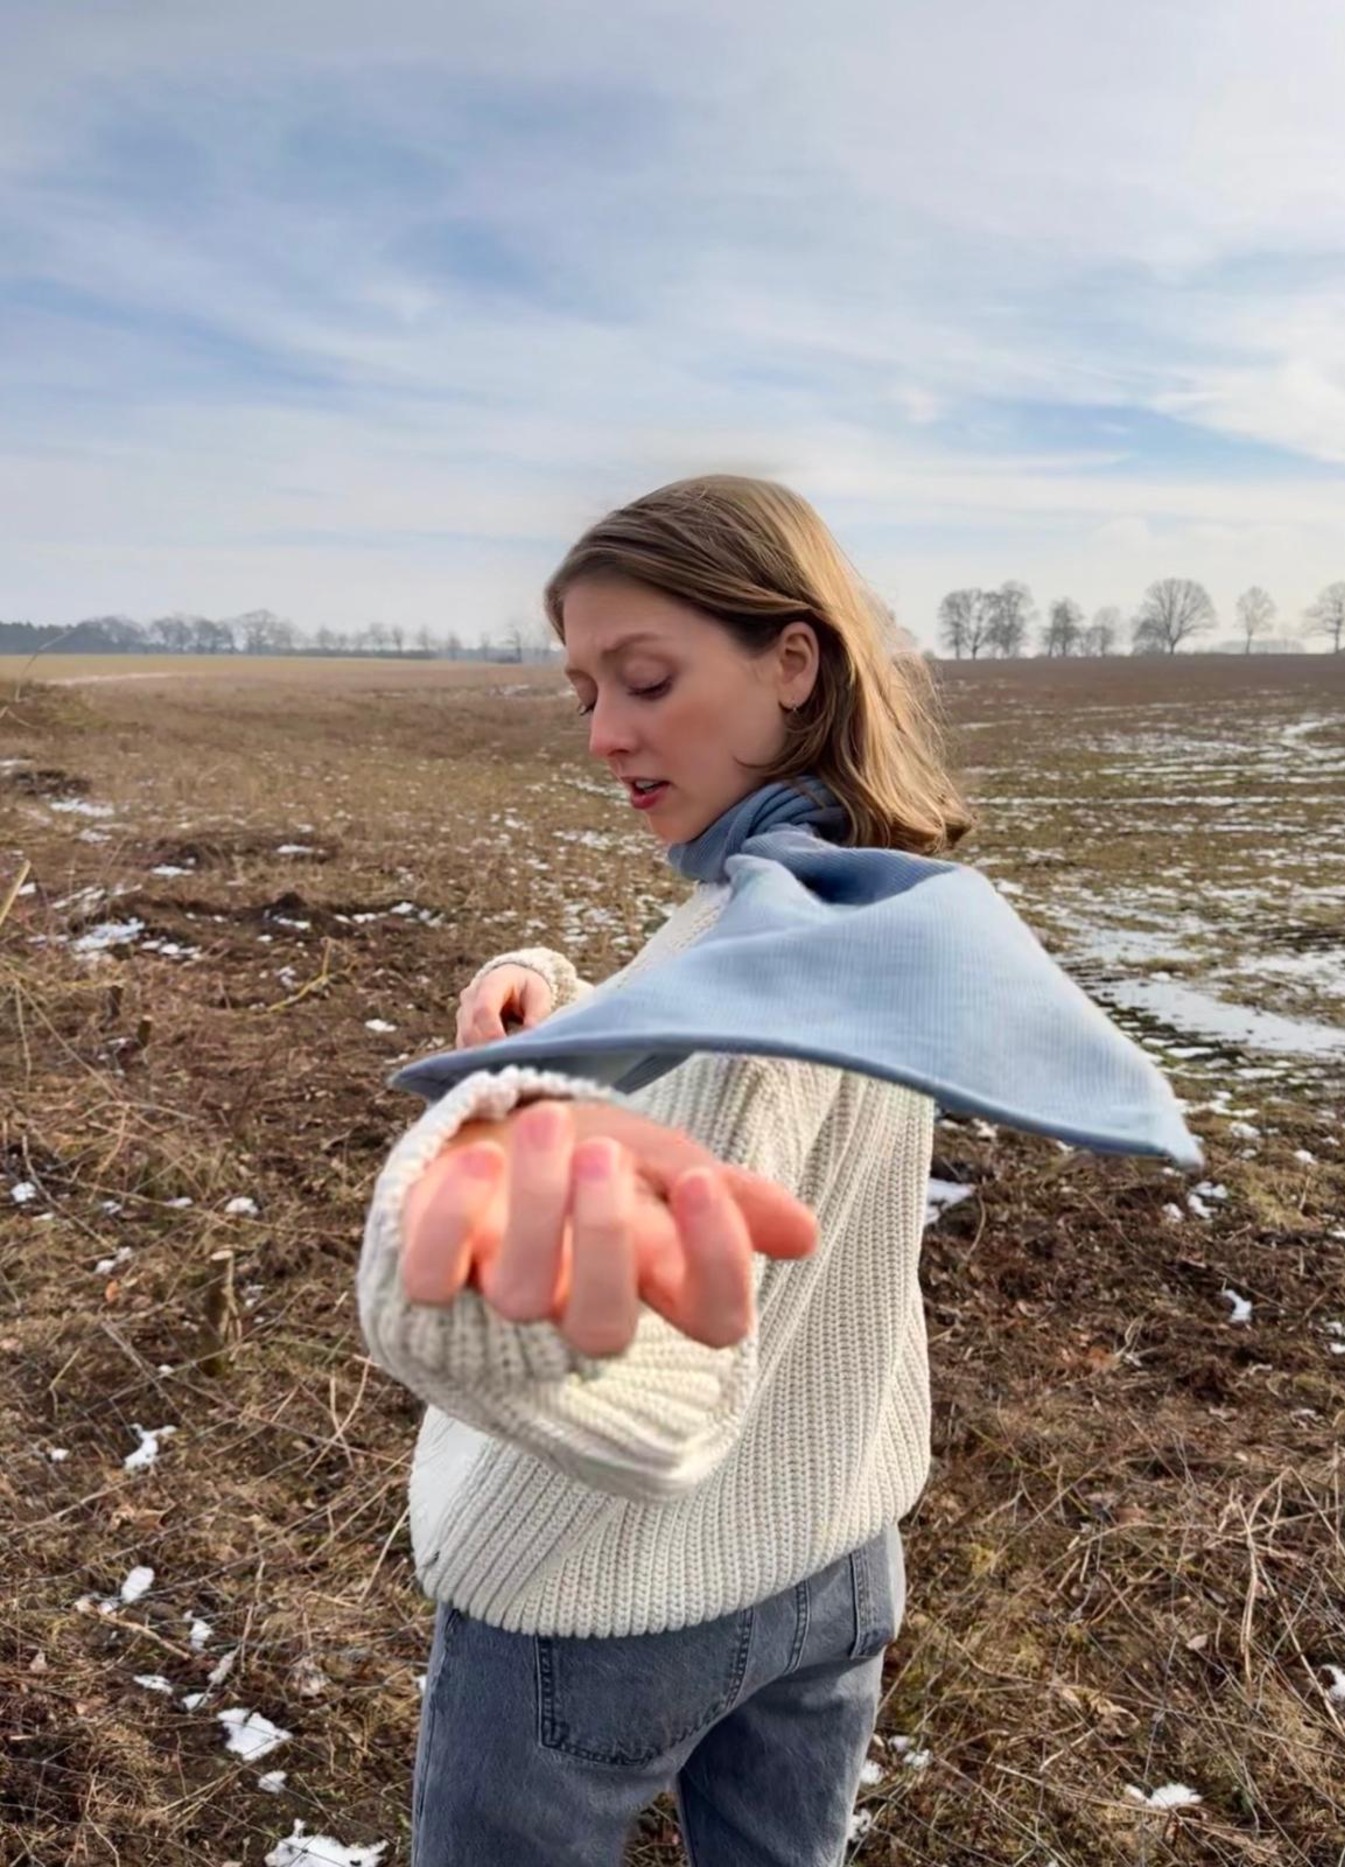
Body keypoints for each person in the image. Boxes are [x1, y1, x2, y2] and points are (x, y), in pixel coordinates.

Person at [357, 473, 977, 1865]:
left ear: (793, 662)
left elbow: (645, 1376)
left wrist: (446, 1243)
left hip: (604, 1603)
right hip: (834, 1556)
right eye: (585, 692)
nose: (604, 734)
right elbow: (739, 1103)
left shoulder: (740, 970)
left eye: (645, 680)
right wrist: (563, 1005)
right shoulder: (876, 902)